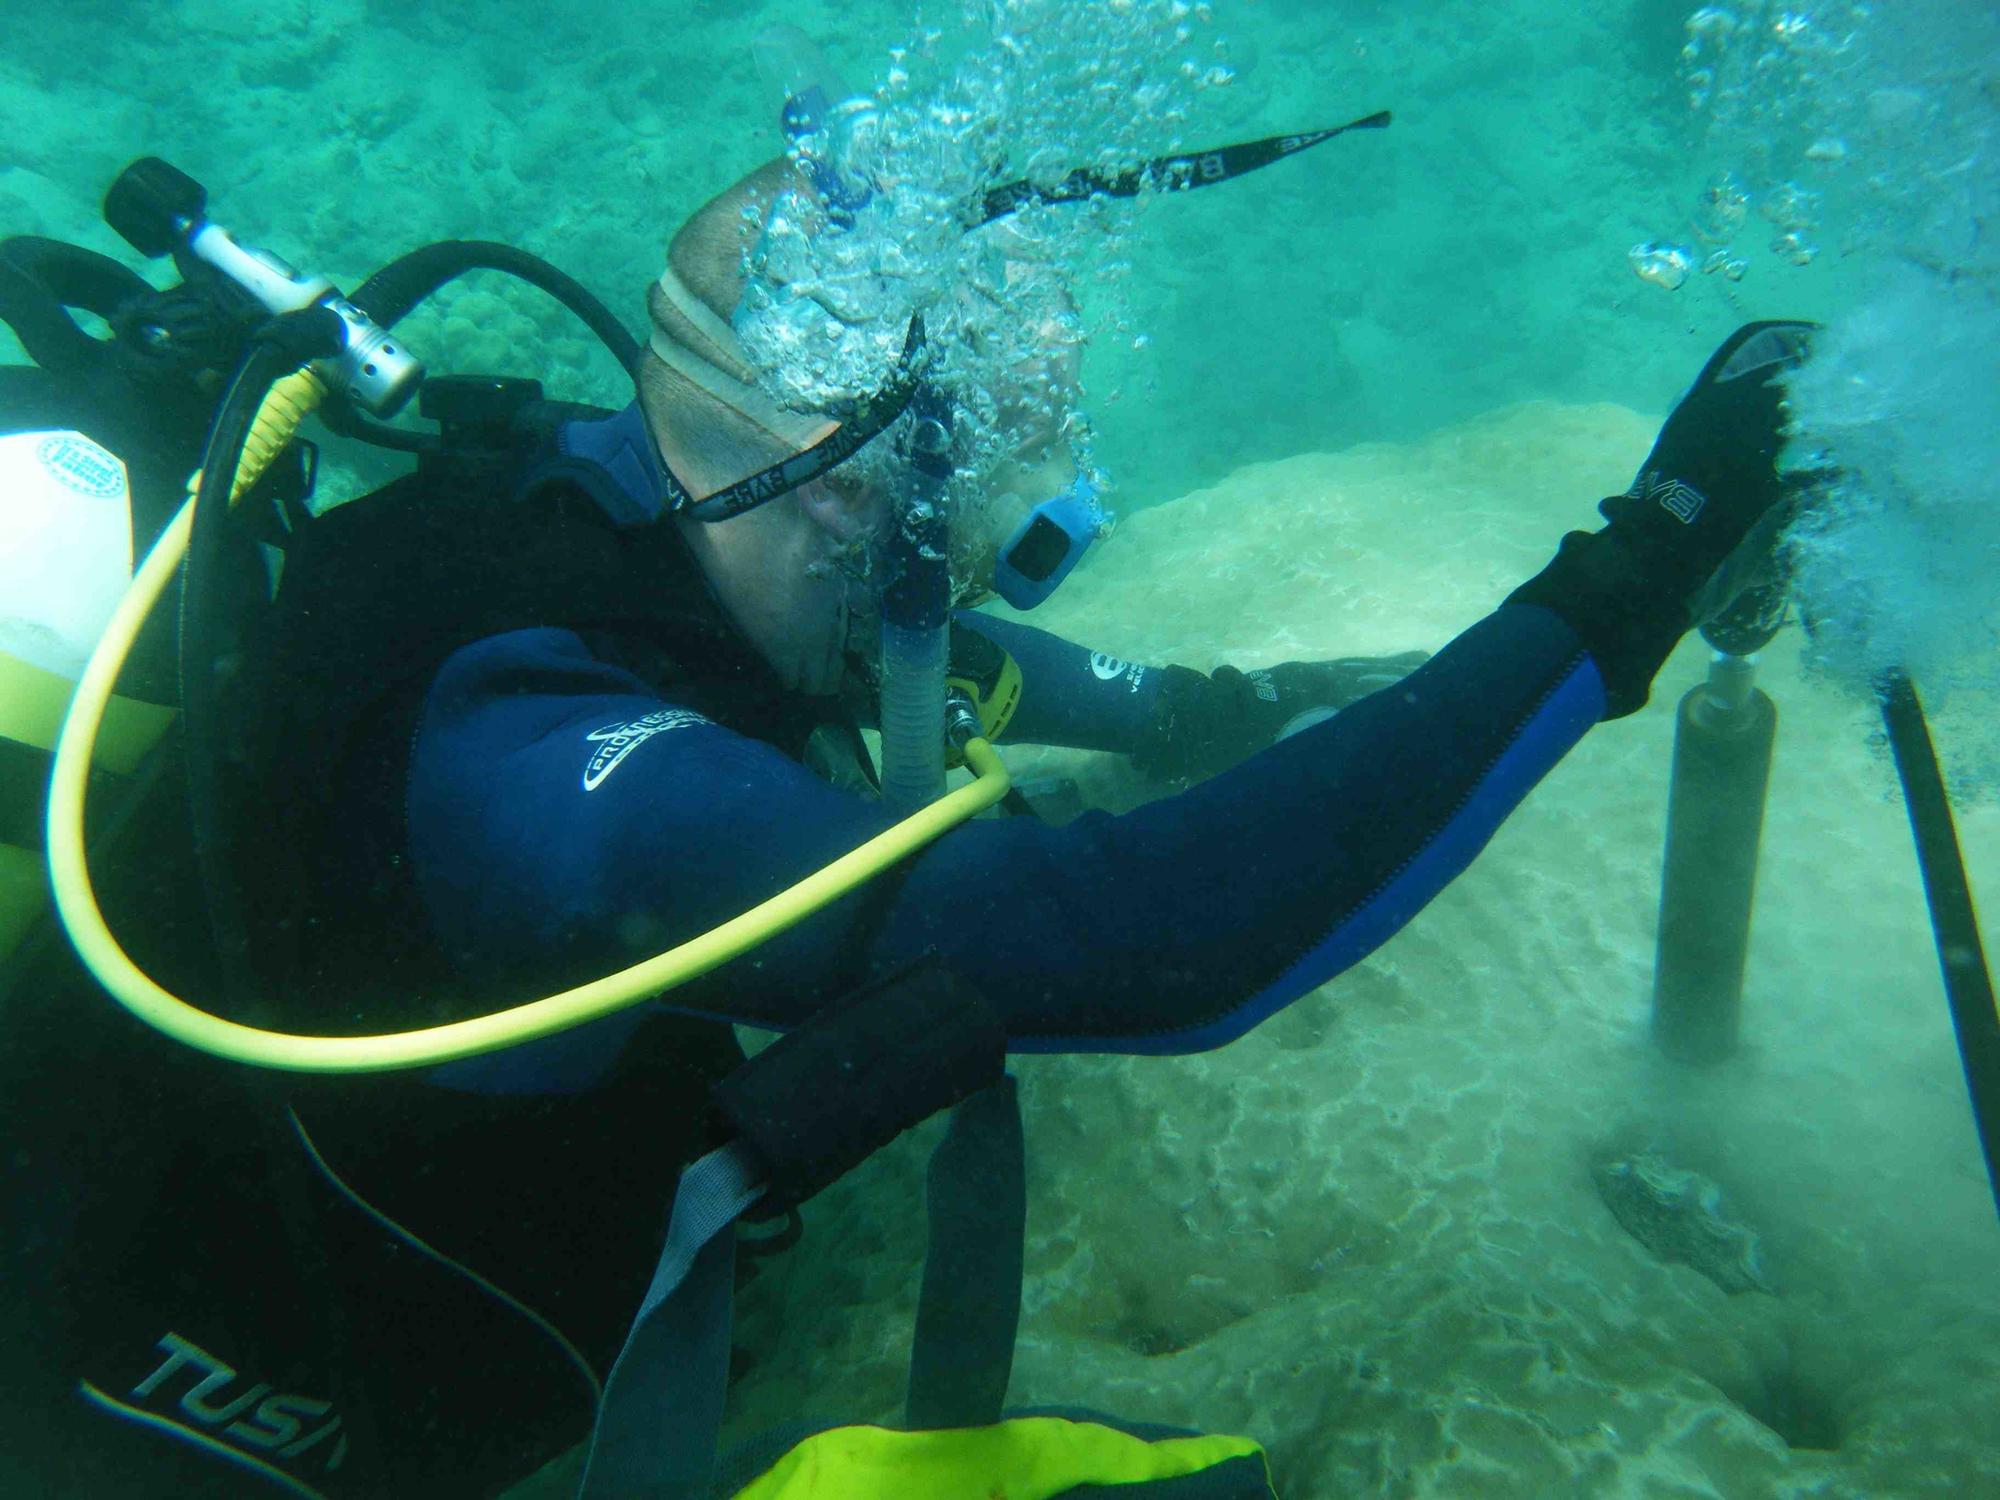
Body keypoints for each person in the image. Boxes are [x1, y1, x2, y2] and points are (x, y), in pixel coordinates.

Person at [0, 121, 1814, 1500]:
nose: (986, 566)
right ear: (849, 493)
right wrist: (1625, 582)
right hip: (192, 1391)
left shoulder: (610, 488)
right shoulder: (536, 760)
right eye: (982, 513)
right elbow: (1153, 949)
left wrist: (1214, 708)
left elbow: (945, 661)